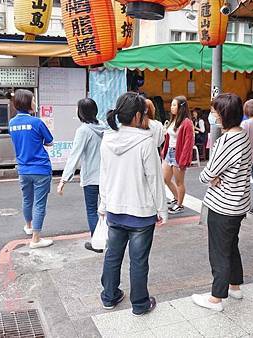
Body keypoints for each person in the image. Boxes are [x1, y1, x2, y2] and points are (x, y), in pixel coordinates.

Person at [99, 92, 168, 316]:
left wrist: (103, 205)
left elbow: (104, 176)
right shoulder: (145, 142)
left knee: (112, 255)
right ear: (139, 115)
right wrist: (162, 210)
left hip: (115, 210)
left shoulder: (107, 139)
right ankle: (140, 304)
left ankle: (109, 296)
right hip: (141, 213)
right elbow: (155, 180)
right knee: (138, 261)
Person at [192, 93, 252, 312]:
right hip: (238, 203)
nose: (212, 115)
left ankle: (216, 298)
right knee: (231, 246)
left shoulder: (226, 141)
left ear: (224, 114)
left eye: (215, 111)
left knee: (219, 251)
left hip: (223, 204)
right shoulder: (243, 135)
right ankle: (235, 286)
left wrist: (212, 177)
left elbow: (206, 175)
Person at [57, 98, 107, 253]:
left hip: (91, 177)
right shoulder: (104, 126)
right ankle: (108, 239)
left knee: (92, 210)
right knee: (106, 210)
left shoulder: (83, 130)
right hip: (106, 176)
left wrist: (63, 180)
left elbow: (74, 156)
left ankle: (97, 242)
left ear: (81, 112)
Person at [9, 89, 54, 249]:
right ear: (27, 103)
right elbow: (49, 141)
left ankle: (28, 226)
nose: (35, 103)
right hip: (40, 168)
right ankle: (35, 239)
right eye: (33, 100)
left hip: (23, 168)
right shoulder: (37, 122)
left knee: (27, 199)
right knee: (39, 203)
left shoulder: (12, 123)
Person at [161, 95, 194, 215]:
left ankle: (179, 205)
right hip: (169, 152)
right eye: (171, 105)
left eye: (174, 105)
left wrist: (184, 160)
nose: (172, 107)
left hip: (178, 154)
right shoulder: (173, 120)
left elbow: (188, 143)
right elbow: (168, 137)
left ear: (181, 107)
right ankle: (176, 198)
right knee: (165, 178)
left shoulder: (187, 123)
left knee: (179, 182)